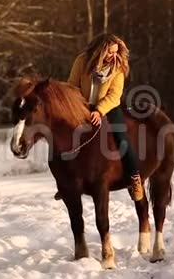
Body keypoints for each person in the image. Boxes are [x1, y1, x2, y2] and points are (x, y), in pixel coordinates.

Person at [54, 33, 144, 202]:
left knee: (121, 139)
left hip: (108, 106)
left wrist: (99, 110)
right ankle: (66, 182)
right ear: (100, 51)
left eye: (116, 52)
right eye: (110, 52)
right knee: (64, 136)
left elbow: (114, 95)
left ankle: (135, 179)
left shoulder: (118, 67)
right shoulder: (82, 61)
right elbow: (72, 86)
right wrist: (78, 107)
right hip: (82, 105)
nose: (113, 55)